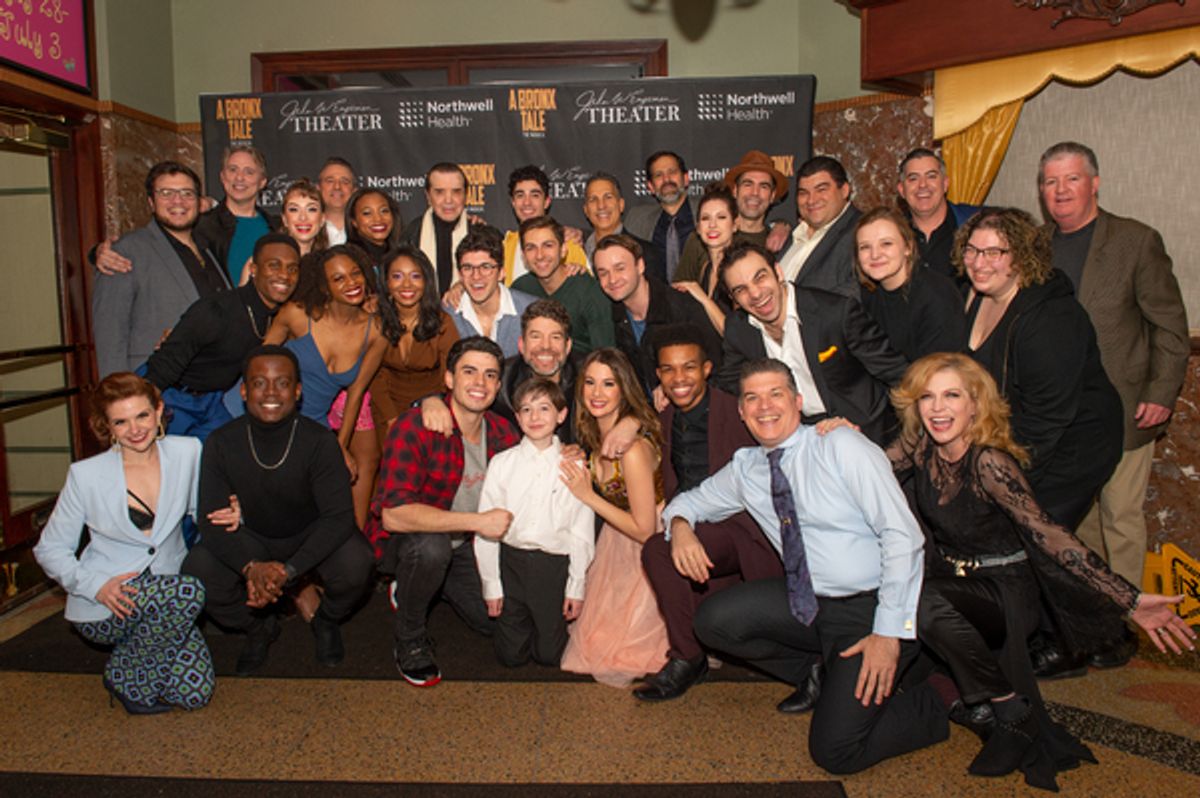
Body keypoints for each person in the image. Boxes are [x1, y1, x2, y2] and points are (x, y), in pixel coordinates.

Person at [885, 353, 1195, 789]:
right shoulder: (921, 449)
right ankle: (1000, 710)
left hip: (1007, 591)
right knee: (906, 596)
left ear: (975, 404)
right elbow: (869, 470)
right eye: (927, 397)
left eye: (952, 395)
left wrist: (1130, 599)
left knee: (921, 598)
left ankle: (1010, 707)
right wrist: (832, 436)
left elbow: (1051, 534)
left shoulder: (990, 464)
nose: (938, 408)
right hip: (958, 586)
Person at [665, 358, 947, 776]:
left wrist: (888, 633)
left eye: (775, 394)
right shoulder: (746, 468)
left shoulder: (840, 446)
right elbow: (687, 502)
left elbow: (903, 536)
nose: (765, 407)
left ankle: (944, 695)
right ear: (741, 411)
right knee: (714, 620)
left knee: (835, 752)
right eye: (752, 398)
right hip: (809, 603)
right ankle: (817, 673)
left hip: (870, 608)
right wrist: (682, 527)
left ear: (798, 401)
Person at [955, 208, 1127, 678]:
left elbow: (1050, 415)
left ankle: (1063, 645)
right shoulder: (975, 296)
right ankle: (1107, 633)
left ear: (1021, 255)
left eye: (995, 251)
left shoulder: (1051, 316)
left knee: (1039, 533)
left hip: (1073, 441)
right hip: (1021, 434)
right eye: (972, 249)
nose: (980, 261)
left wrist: (1010, 478)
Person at [1039, 142, 1189, 640]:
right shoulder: (1035, 246)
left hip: (1125, 408)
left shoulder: (1135, 241)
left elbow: (1168, 326)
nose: (1060, 191)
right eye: (1050, 181)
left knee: (1120, 516)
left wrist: (1162, 391)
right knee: (1077, 524)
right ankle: (1093, 617)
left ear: (1094, 183)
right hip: (1061, 413)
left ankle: (1128, 625)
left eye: (1071, 179)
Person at [182, 346, 375, 675]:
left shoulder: (319, 441)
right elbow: (210, 520)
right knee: (198, 570)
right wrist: (250, 567)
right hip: (253, 537)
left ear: (297, 391)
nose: (271, 392)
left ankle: (325, 620)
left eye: (282, 383)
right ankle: (259, 627)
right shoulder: (220, 442)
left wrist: (289, 570)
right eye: (259, 383)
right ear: (244, 391)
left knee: (358, 561)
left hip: (308, 535)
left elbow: (338, 518)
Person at [33, 373, 219, 713]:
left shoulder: (187, 452)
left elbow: (201, 511)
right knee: (189, 590)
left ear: (159, 411)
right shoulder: (85, 475)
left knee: (195, 694)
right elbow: (49, 549)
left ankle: (132, 661)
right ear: (107, 426)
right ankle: (128, 679)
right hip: (109, 601)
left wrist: (231, 513)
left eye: (142, 416)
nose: (135, 429)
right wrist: (95, 585)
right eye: (121, 421)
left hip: (166, 604)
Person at [636, 327, 783, 702]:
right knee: (659, 552)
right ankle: (691, 655)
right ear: (658, 376)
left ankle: (687, 657)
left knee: (656, 549)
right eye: (668, 370)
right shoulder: (667, 416)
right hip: (694, 524)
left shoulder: (737, 411)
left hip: (742, 529)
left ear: (706, 369)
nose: (678, 378)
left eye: (688, 368)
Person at [365, 337, 519, 687]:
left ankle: (432, 583)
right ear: (448, 379)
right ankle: (410, 634)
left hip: (466, 545)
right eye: (469, 372)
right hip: (407, 542)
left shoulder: (502, 432)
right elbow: (393, 515)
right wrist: (478, 522)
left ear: (498, 384)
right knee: (430, 550)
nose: (480, 383)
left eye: (490, 375)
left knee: (493, 621)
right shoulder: (415, 426)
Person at [716, 241, 908, 446]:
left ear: (778, 273)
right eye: (741, 290)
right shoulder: (738, 330)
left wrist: (908, 438)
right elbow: (731, 385)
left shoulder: (835, 313)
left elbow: (897, 373)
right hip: (799, 441)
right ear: (733, 298)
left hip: (864, 432)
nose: (755, 294)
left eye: (760, 277)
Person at [559, 348, 669, 686]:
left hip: (649, 545)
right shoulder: (594, 435)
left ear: (624, 388)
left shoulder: (632, 450)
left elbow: (645, 529)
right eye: (590, 382)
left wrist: (588, 495)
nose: (596, 392)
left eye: (608, 384)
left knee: (622, 651)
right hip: (615, 540)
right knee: (593, 642)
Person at [265, 245, 387, 529]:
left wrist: (339, 447)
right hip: (271, 415)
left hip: (316, 424)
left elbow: (356, 393)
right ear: (324, 285)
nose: (352, 283)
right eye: (339, 278)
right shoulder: (297, 315)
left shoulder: (376, 330)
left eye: (355, 273)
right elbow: (257, 366)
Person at [475, 378, 595, 667]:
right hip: (511, 561)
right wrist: (492, 585)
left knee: (549, 655)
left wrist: (575, 586)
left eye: (544, 408)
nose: (535, 417)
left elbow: (581, 531)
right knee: (510, 657)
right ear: (517, 417)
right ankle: (520, 626)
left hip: (552, 566)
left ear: (561, 415)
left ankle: (549, 626)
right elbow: (486, 527)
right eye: (526, 410)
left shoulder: (575, 466)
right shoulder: (502, 463)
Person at [144, 233, 301, 440]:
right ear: (253, 270)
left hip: (212, 402)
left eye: (292, 269)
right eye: (274, 265)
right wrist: (144, 413)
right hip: (170, 395)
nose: (284, 275)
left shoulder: (280, 317)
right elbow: (161, 368)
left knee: (230, 455)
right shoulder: (216, 311)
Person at [92, 161, 231, 378]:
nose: (178, 201)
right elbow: (110, 335)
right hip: (154, 386)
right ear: (151, 201)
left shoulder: (207, 249)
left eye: (187, 193)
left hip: (209, 389)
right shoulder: (125, 252)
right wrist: (118, 396)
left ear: (198, 201)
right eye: (166, 193)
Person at [594, 233, 722, 398]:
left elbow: (717, 369)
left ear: (640, 266)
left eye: (620, 268)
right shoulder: (610, 315)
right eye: (603, 273)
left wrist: (671, 386)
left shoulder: (683, 308)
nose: (612, 279)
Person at [368, 245, 461, 441]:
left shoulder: (443, 323)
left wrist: (432, 402)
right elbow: (374, 377)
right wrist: (392, 419)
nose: (407, 285)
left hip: (432, 409)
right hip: (387, 409)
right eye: (397, 276)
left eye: (415, 276)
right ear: (386, 283)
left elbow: (452, 376)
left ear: (426, 281)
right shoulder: (376, 322)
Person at [854, 206, 966, 362]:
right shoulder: (866, 294)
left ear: (908, 247)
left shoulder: (938, 296)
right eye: (865, 247)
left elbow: (937, 372)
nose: (875, 254)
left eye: (886, 244)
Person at [511, 215, 615, 355]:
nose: (540, 255)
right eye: (531, 248)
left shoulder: (588, 290)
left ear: (563, 250)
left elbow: (606, 355)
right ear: (523, 256)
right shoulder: (520, 289)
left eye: (548, 245)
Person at [193, 144, 280, 285]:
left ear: (262, 182)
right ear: (222, 176)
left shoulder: (277, 227)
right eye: (233, 170)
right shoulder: (203, 227)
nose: (239, 177)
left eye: (249, 172)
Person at [447, 225, 536, 357]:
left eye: (486, 267)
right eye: (468, 267)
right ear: (460, 275)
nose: (476, 276)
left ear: (501, 273)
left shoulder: (531, 312)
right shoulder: (446, 315)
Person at [777, 156, 861, 294]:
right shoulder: (795, 234)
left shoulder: (861, 232)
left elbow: (855, 295)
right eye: (803, 193)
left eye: (821, 190)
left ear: (845, 190)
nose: (811, 200)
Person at [896, 147, 978, 288]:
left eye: (931, 176)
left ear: (945, 184)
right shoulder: (892, 235)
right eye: (913, 178)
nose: (923, 185)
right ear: (902, 190)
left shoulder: (975, 225)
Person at [501, 165, 589, 284]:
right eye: (520, 195)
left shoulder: (569, 245)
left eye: (535, 195)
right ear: (513, 202)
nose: (527, 202)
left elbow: (586, 289)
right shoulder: (504, 248)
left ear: (547, 202)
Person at [671, 184, 740, 335]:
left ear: (735, 225)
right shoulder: (705, 269)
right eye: (705, 218)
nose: (712, 225)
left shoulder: (740, 271)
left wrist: (702, 297)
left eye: (721, 217)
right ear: (698, 228)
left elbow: (737, 337)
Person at [623, 150, 699, 280]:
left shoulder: (708, 212)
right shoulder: (636, 220)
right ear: (651, 187)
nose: (667, 179)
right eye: (659, 175)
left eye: (672, 172)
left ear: (686, 179)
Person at [400, 162, 472, 293]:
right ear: (428, 196)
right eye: (439, 192)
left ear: (466, 195)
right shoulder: (410, 236)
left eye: (456, 192)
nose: (448, 200)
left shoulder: (479, 233)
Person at [582, 172, 664, 281]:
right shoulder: (574, 253)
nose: (601, 205)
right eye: (593, 199)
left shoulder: (645, 253)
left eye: (608, 197)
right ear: (586, 210)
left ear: (621, 205)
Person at [345, 187, 404, 270]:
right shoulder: (346, 259)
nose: (378, 219)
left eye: (384, 211)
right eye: (367, 213)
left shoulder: (402, 257)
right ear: (354, 221)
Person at [318, 157, 356, 245]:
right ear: (318, 189)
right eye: (330, 181)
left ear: (354, 190)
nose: (337, 187)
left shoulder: (365, 230)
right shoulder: (306, 229)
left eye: (345, 181)